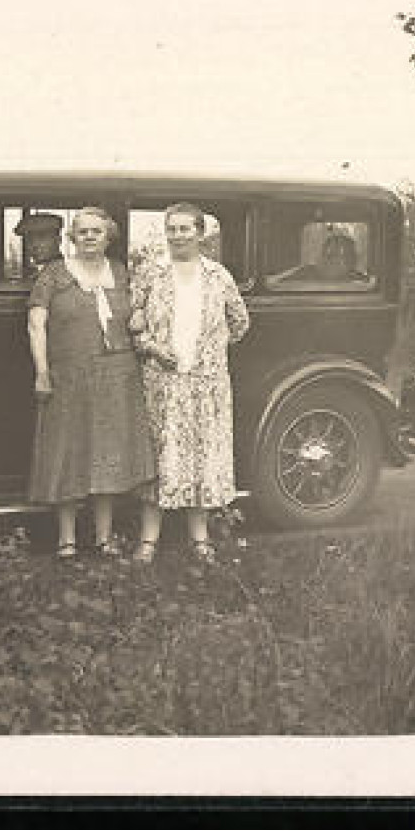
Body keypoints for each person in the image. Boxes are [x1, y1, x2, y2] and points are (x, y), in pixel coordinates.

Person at [26, 207, 155, 559]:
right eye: (82, 232)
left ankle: (104, 537)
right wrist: (42, 371)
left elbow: (139, 311)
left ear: (107, 236)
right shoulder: (54, 274)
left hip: (117, 376)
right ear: (71, 237)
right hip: (69, 376)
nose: (89, 238)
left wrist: (140, 317)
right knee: (67, 452)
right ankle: (66, 538)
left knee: (107, 454)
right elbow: (36, 325)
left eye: (96, 232)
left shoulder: (120, 272)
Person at [128, 202, 251, 564]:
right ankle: (148, 540)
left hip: (205, 384)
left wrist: (210, 352)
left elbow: (240, 323)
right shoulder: (151, 272)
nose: (178, 235)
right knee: (159, 458)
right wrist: (154, 348)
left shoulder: (218, 276)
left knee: (199, 457)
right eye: (172, 228)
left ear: (201, 233)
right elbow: (133, 326)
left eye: (185, 229)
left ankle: (200, 540)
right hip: (161, 381)